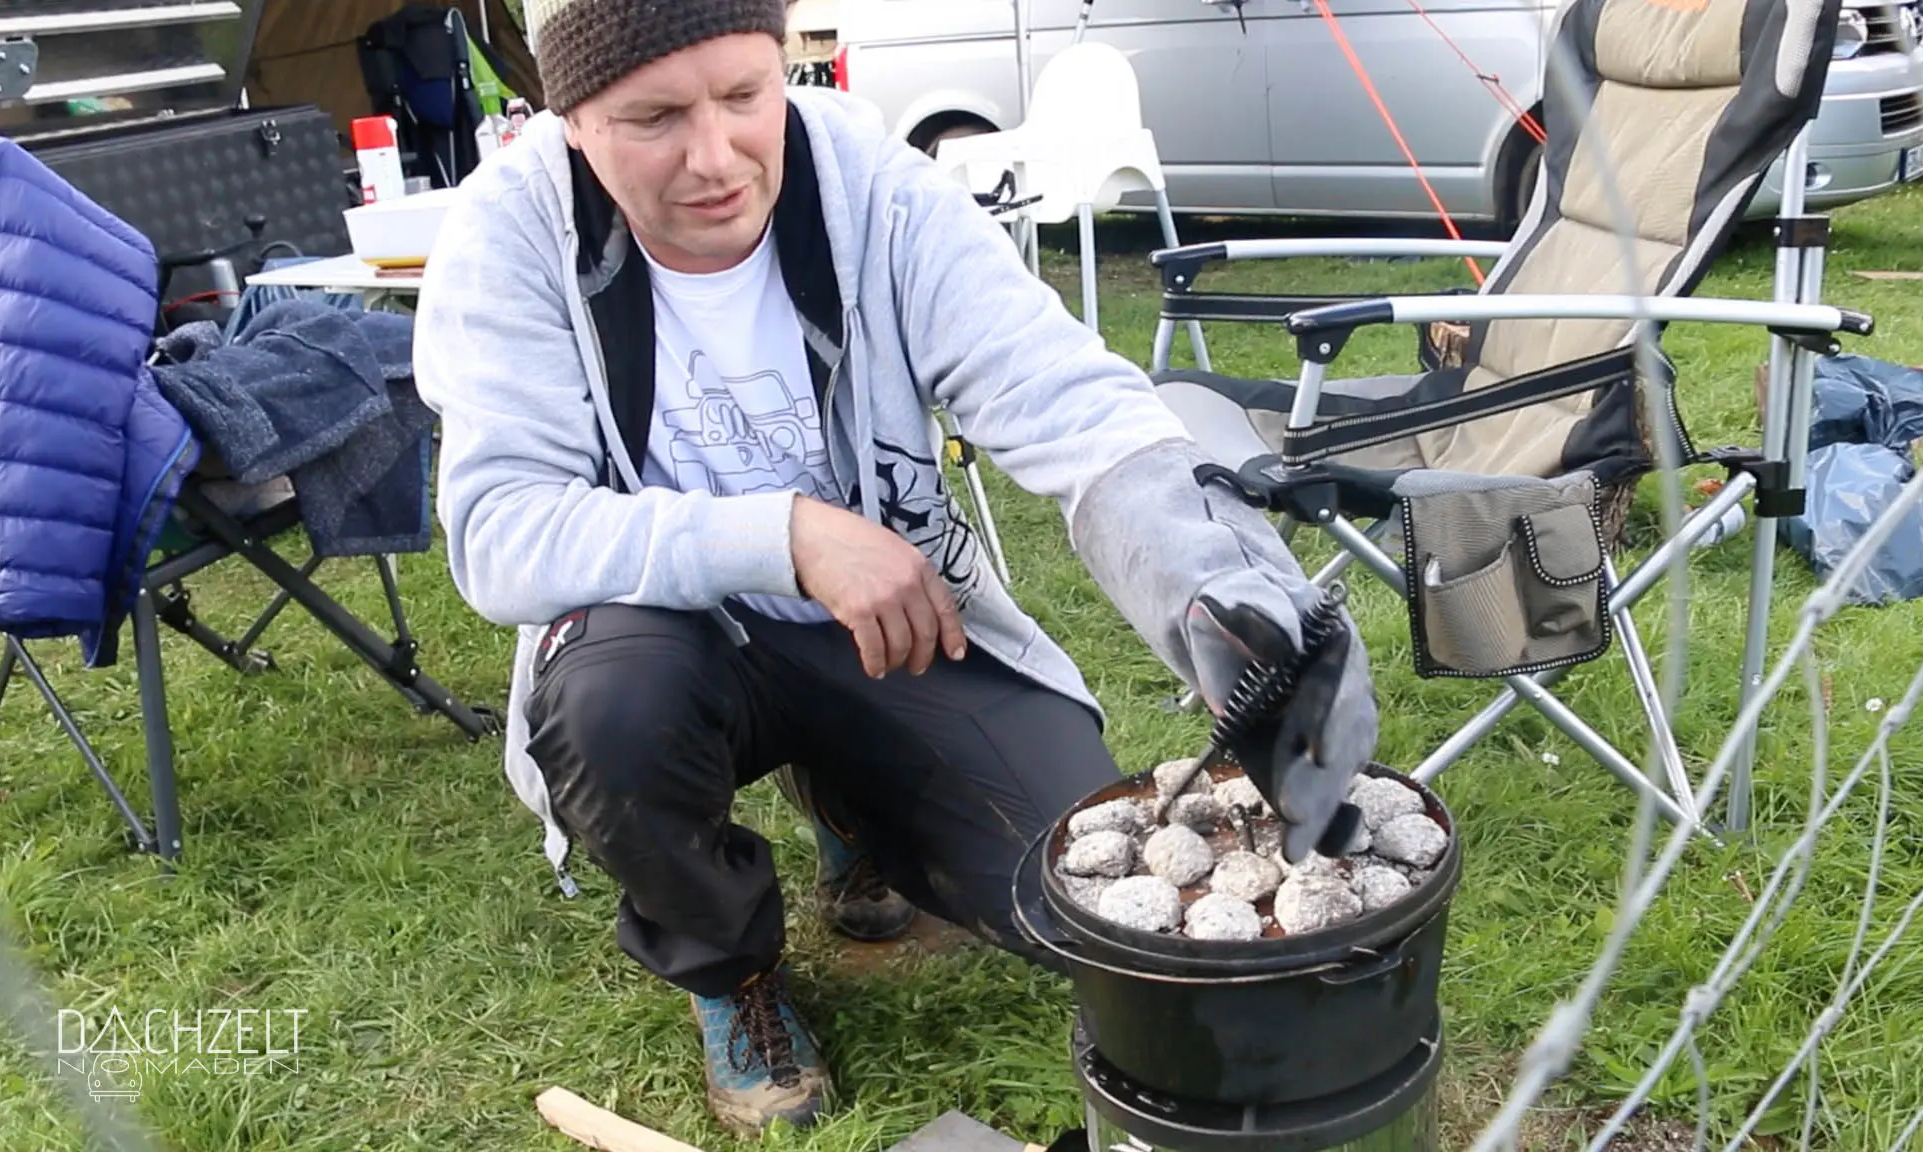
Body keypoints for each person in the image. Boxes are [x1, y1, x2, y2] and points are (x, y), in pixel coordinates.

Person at [411, 0, 1379, 1137]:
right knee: (614, 707)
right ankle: (731, 974)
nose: (716, 157)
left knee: (1060, 888)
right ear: (573, 120)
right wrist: (789, 536)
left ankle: (847, 800)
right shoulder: (510, 233)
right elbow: (499, 527)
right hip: (664, 642)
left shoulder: (869, 184)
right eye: (654, 118)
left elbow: (1059, 393)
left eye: (743, 95)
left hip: (889, 621)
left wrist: (1214, 588)